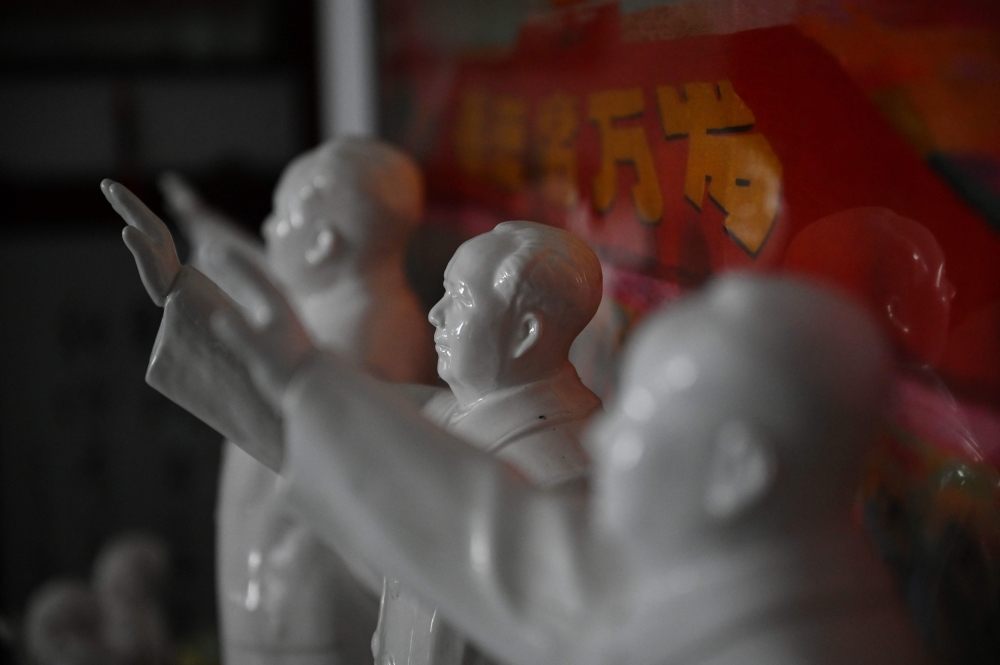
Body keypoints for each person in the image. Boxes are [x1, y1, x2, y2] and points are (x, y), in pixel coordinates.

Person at [210, 264, 926, 665]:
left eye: (641, 421)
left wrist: (303, 377)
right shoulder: (726, 585)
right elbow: (495, 538)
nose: (608, 442)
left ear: (739, 470)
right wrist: (300, 375)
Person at [102, 137, 436, 665]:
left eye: (282, 215)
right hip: (284, 605)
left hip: (314, 613)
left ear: (324, 243)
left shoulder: (372, 334)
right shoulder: (337, 306)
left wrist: (182, 298)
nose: (268, 228)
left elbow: (305, 426)